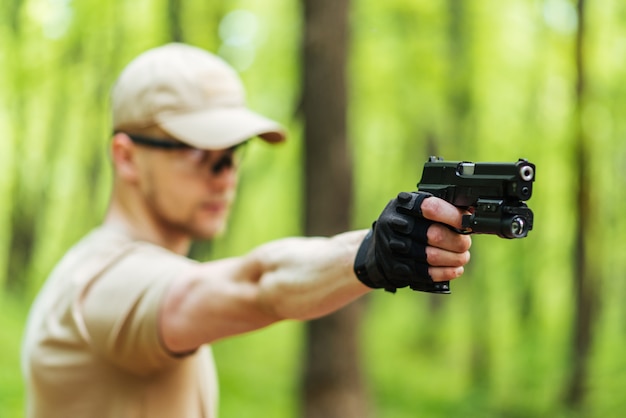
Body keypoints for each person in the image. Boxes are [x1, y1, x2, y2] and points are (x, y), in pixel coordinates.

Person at [21, 43, 471, 418]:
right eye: (202, 152)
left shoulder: (108, 269)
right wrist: (374, 251)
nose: (226, 173)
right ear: (125, 157)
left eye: (235, 152)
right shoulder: (102, 282)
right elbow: (258, 284)